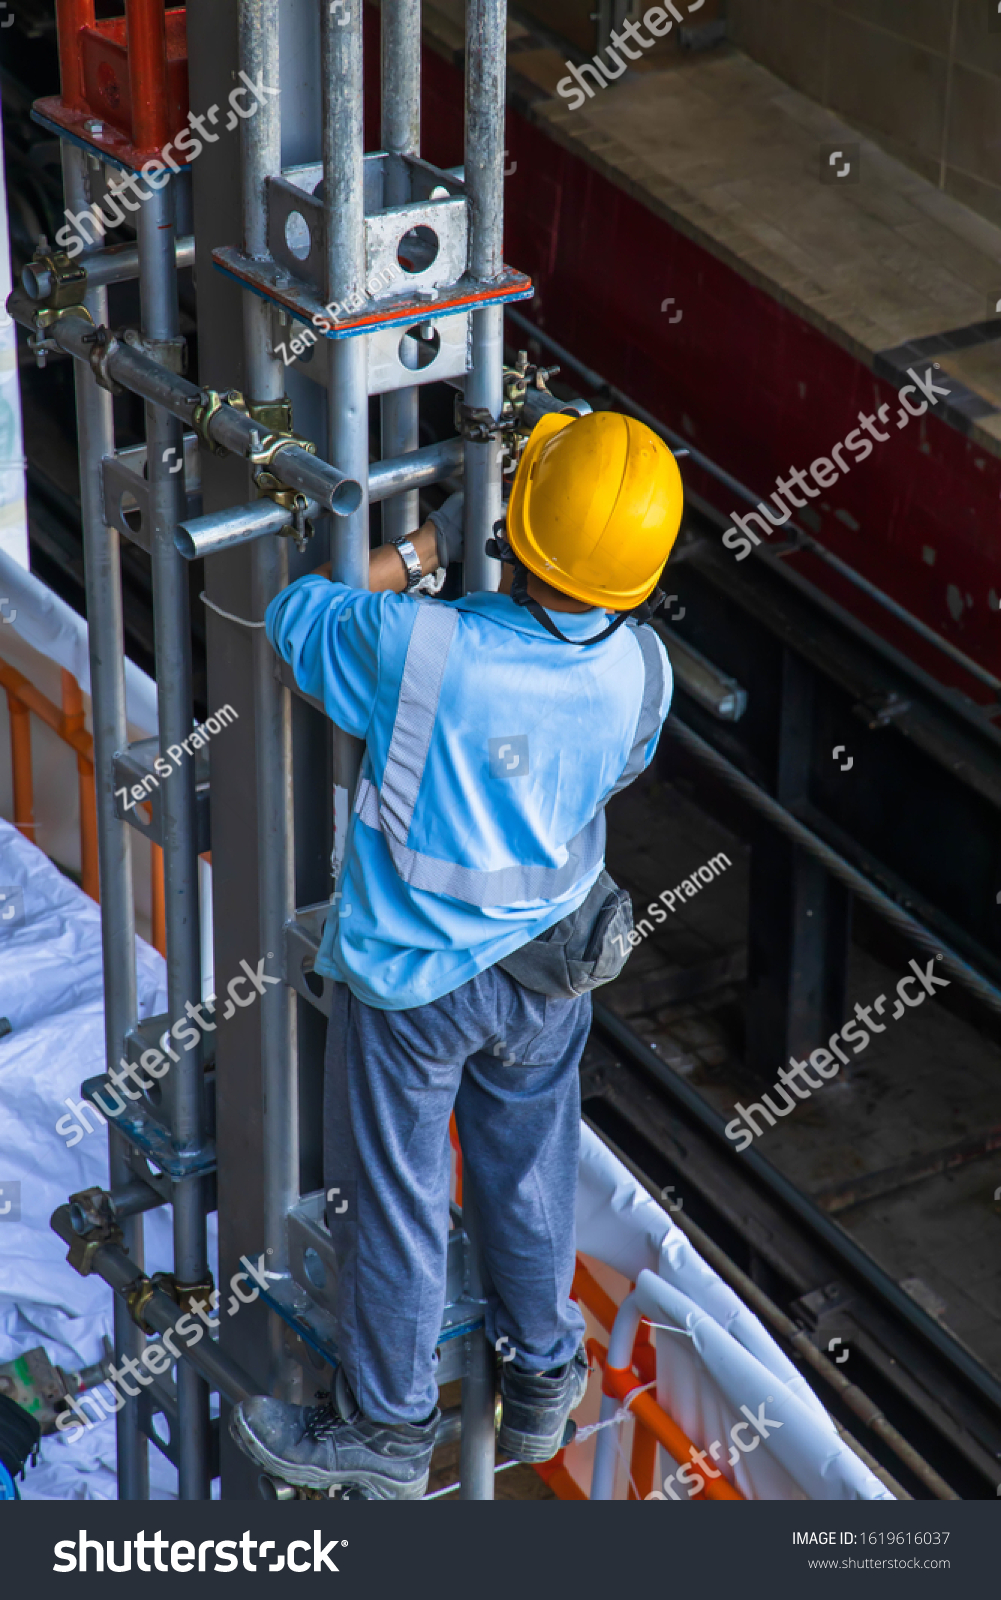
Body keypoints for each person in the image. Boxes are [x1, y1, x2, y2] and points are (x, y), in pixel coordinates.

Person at [230, 409, 684, 1498]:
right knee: (528, 1176)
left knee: (395, 1195)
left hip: (414, 984)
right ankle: (539, 1374)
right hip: (549, 977)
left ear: (516, 534)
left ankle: (384, 1433)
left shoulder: (421, 646)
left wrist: (425, 549)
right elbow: (612, 769)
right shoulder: (644, 670)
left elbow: (294, 615)